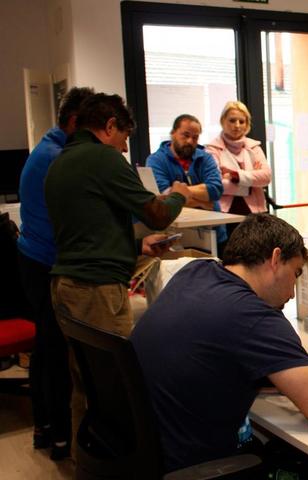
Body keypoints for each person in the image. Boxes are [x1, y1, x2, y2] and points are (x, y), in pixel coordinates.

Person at [131, 213, 308, 480]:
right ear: (275, 259)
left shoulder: (194, 273)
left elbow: (210, 357)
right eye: (296, 273)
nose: (292, 291)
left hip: (145, 461)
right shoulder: (253, 315)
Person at [45, 93, 191, 336]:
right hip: (97, 289)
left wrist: (136, 246)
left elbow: (87, 232)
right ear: (110, 126)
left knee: (85, 368)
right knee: (114, 371)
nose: (124, 148)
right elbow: (159, 216)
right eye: (125, 139)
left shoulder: (61, 161)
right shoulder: (103, 157)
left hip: (67, 284)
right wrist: (179, 195)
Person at [16, 86, 94, 460]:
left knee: (46, 351)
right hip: (46, 264)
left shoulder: (46, 148)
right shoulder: (57, 158)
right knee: (57, 354)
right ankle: (61, 437)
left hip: (34, 258)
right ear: (75, 122)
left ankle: (46, 430)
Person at [146, 113, 227, 245]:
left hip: (214, 232)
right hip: (178, 235)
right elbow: (164, 197)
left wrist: (179, 193)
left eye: (195, 137)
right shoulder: (156, 160)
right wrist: (202, 203)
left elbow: (215, 189)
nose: (190, 141)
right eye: (186, 135)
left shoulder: (205, 158)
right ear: (173, 133)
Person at [205, 101, 271, 230]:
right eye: (232, 120)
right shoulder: (212, 149)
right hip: (224, 215)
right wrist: (250, 185)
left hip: (254, 215)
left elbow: (266, 177)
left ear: (247, 124)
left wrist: (235, 176)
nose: (237, 125)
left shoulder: (254, 147)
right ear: (223, 121)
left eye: (242, 121)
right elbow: (216, 184)